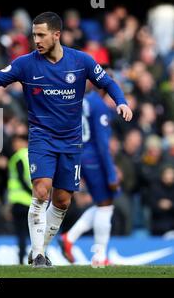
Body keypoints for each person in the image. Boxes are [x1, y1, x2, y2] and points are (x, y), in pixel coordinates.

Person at [0, 12, 133, 267]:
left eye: (41, 35)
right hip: (42, 138)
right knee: (41, 190)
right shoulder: (25, 64)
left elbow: (109, 82)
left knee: (62, 201)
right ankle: (38, 254)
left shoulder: (81, 61)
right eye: (34, 34)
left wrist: (122, 102)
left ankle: (41, 250)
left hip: (71, 142)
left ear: (56, 35)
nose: (35, 39)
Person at [58, 88, 120, 267]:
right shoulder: (98, 105)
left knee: (102, 204)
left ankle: (69, 238)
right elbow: (102, 143)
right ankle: (100, 257)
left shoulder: (80, 100)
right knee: (106, 206)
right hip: (94, 158)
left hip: (79, 153)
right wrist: (110, 173)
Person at [7, 134, 32, 265]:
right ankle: (41, 257)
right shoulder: (33, 156)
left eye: (17, 141)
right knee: (36, 232)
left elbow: (21, 179)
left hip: (20, 201)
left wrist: (32, 193)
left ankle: (22, 260)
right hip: (33, 202)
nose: (14, 145)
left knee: (21, 234)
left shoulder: (18, 157)